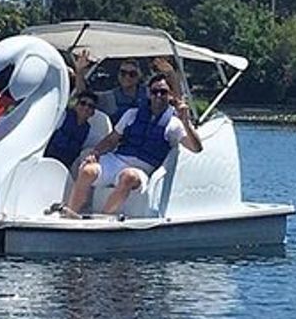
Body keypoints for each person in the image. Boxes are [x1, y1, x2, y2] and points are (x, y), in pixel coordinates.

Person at [59, 72, 203, 217]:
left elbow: (196, 148)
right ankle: (71, 214)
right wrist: (95, 153)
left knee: (128, 177)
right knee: (87, 170)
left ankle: (102, 218)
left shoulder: (174, 124)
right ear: (149, 93)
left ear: (171, 95)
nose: (158, 95)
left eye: (163, 92)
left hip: (142, 168)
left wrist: (186, 122)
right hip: (117, 160)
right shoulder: (132, 114)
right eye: (154, 92)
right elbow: (111, 139)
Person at [73, 50, 148, 124]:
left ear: (139, 76)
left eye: (132, 74)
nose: (127, 77)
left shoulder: (150, 93)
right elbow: (83, 95)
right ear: (118, 75)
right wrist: (79, 71)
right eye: (123, 73)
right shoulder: (109, 98)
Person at [43, 93, 106, 169]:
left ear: (92, 113)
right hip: (45, 158)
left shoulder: (89, 133)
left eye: (90, 106)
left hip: (63, 167)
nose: (86, 107)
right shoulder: (62, 117)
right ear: (76, 106)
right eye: (83, 103)